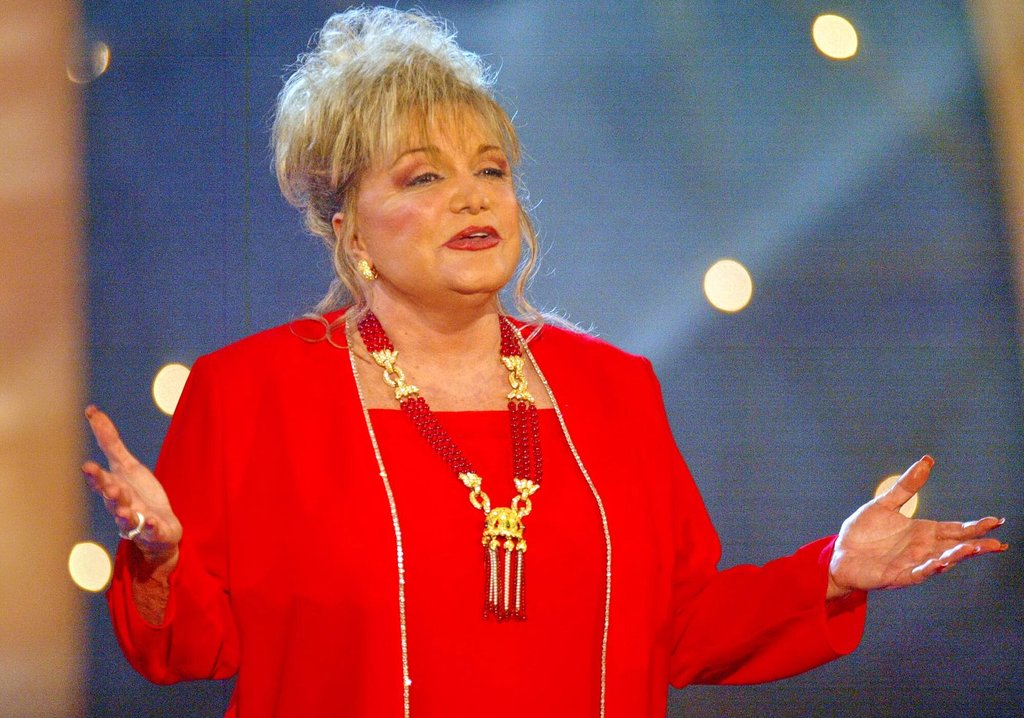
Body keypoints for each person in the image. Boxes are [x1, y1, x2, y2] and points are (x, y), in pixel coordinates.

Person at [82, 7, 1008, 718]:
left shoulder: (611, 390)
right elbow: (191, 649)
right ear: (347, 227)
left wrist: (832, 571)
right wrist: (158, 558)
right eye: (422, 176)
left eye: (489, 170)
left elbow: (674, 630)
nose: (472, 197)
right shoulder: (253, 394)